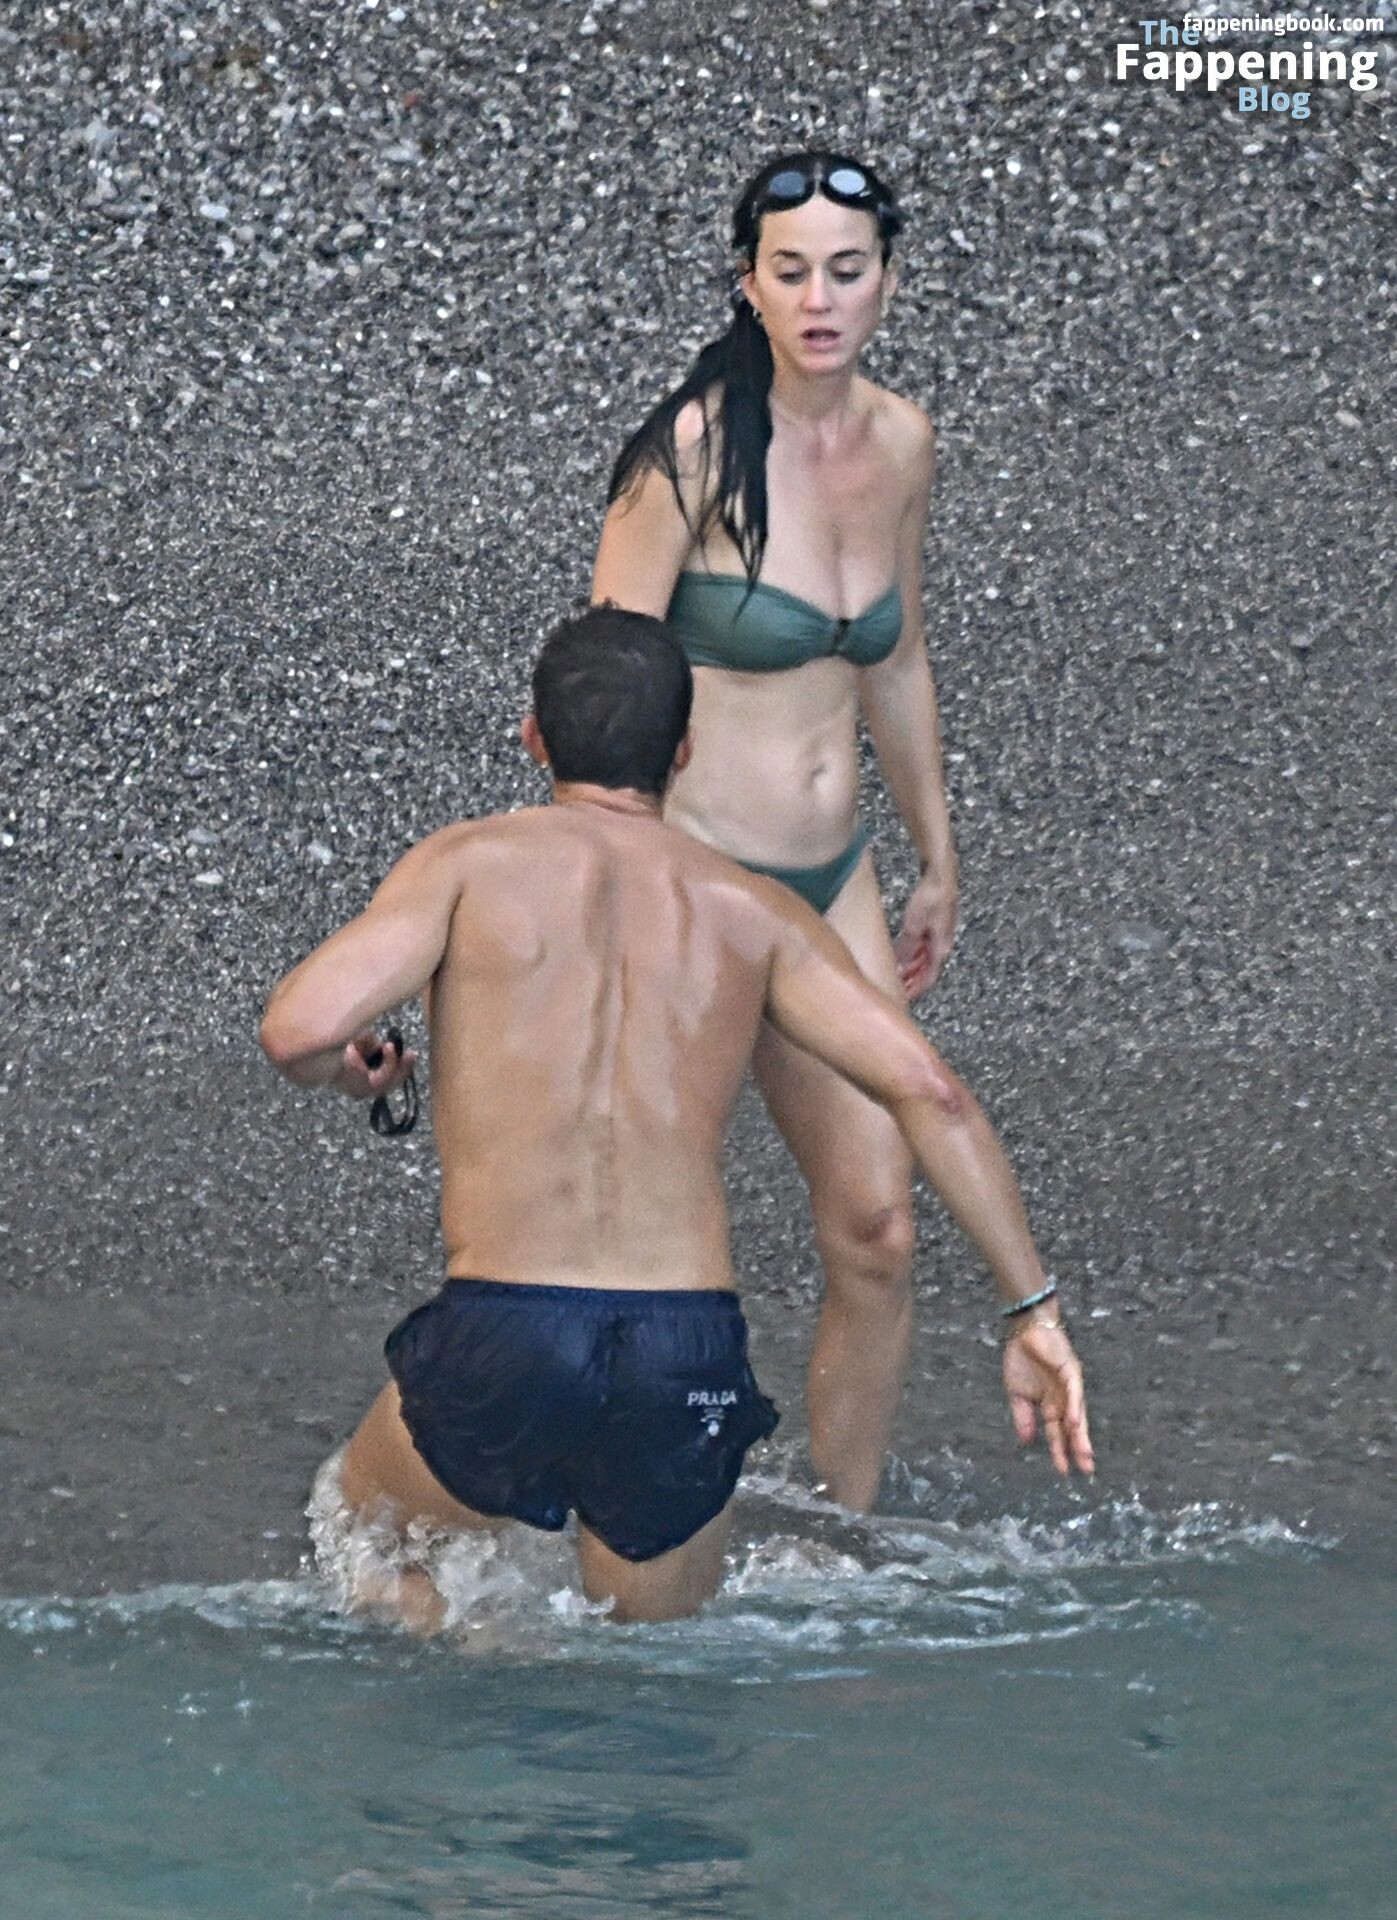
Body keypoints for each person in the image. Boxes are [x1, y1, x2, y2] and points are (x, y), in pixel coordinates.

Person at [260, 609, 1092, 1632]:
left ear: (533, 738)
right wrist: (1029, 1310)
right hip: (683, 1352)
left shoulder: (467, 865)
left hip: (509, 1330)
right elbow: (932, 1095)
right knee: (651, 1658)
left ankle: (483, 1654)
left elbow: (297, 1031)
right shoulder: (753, 910)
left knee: (366, 1532)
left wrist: (355, 1076)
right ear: (684, 751)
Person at [592, 151, 958, 1511]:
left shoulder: (902, 442)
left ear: (887, 282)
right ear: (746, 282)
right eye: (789, 271)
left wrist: (935, 854)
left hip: (831, 880)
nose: (818, 300)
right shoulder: (688, 456)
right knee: (636, 1233)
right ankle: (605, 1519)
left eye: (845, 272)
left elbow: (896, 658)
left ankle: (837, 1531)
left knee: (878, 1228)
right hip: (687, 877)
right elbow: (606, 680)